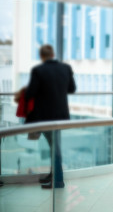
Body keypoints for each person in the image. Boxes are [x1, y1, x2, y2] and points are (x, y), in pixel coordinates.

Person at [25, 44, 76, 189]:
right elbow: (71, 89)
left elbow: (30, 93)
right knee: (55, 146)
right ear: (52, 54)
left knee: (55, 148)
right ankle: (53, 175)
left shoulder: (38, 70)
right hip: (61, 116)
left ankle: (58, 181)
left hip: (45, 117)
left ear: (41, 56)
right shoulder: (66, 68)